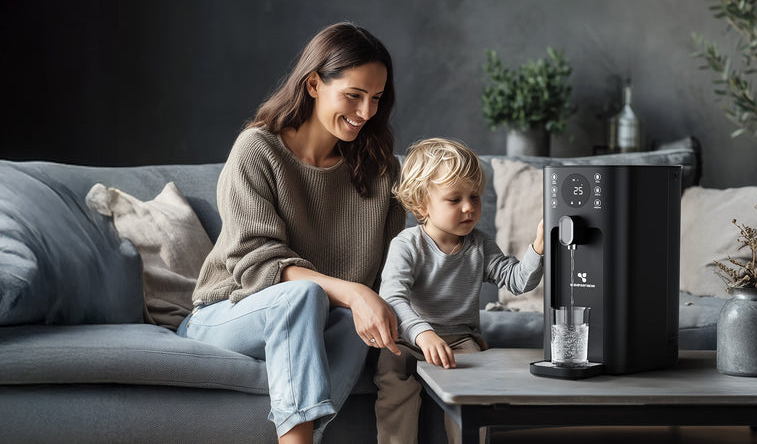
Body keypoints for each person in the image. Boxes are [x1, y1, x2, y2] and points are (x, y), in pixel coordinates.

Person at [176, 22, 406, 444]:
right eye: (353, 96)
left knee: (356, 321)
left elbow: (392, 274)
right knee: (305, 295)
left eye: (376, 99)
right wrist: (354, 292)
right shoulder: (257, 149)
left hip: (317, 324)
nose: (366, 113)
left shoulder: (382, 172)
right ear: (315, 84)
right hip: (227, 314)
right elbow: (259, 264)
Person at [374, 138, 544, 444]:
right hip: (408, 340)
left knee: (470, 396)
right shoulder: (407, 245)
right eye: (455, 200)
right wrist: (423, 333)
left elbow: (518, 281)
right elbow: (392, 298)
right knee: (395, 388)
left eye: (475, 197)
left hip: (460, 340)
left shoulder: (480, 244)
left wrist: (539, 248)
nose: (469, 208)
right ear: (421, 205)